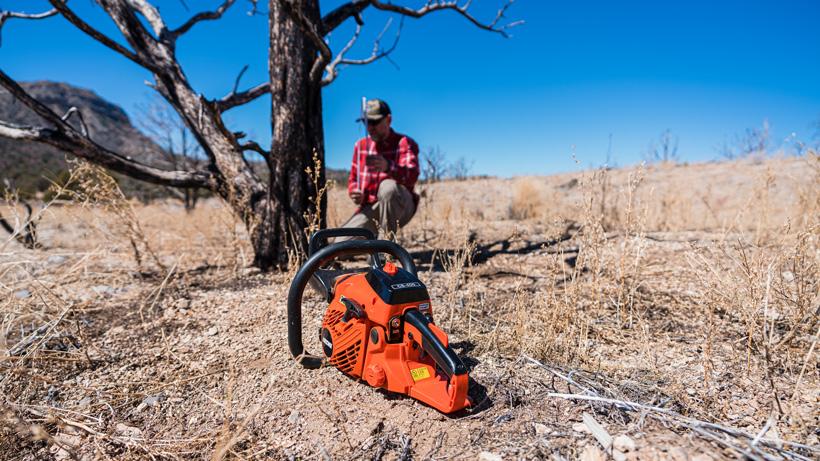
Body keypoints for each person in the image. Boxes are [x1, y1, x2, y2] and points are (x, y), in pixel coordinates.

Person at [340, 99, 420, 239]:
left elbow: (412, 175)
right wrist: (354, 192)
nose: (370, 127)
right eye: (366, 122)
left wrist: (389, 167)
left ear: (388, 120)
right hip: (371, 208)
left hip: (401, 205)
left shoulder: (404, 143)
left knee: (388, 187)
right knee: (338, 245)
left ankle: (384, 250)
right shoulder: (360, 146)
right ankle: (372, 246)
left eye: (374, 122)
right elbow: (353, 179)